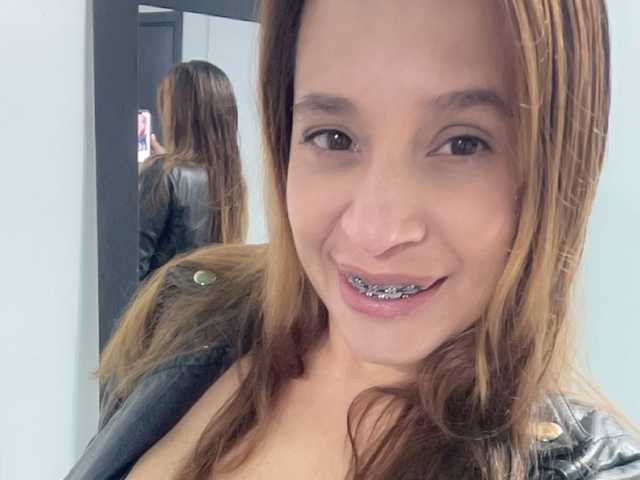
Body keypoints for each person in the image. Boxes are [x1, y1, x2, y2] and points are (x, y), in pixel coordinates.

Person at [66, 1, 640, 479]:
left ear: (555, 166)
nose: (376, 231)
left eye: (463, 143)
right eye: (334, 137)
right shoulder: (189, 309)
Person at [137, 60, 247, 281]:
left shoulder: (162, 174)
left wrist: (150, 172)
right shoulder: (230, 179)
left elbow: (133, 267)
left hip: (163, 301)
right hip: (206, 301)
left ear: (178, 114)